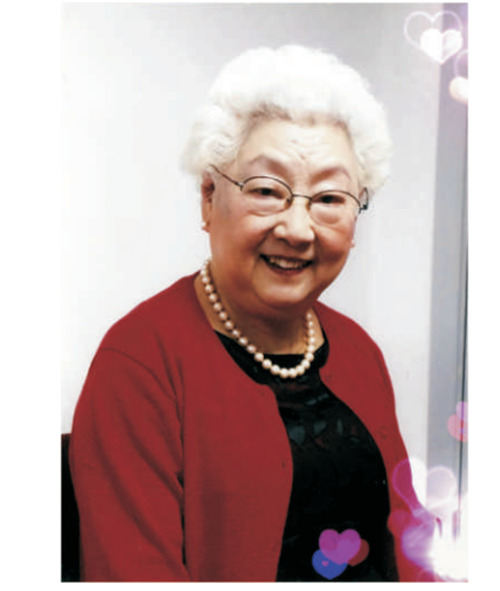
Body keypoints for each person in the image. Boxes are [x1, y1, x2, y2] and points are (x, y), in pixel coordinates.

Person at [69, 45, 435, 582]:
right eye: (267, 190)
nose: (298, 229)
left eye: (330, 199)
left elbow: (411, 546)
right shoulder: (139, 362)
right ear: (208, 197)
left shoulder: (359, 349)